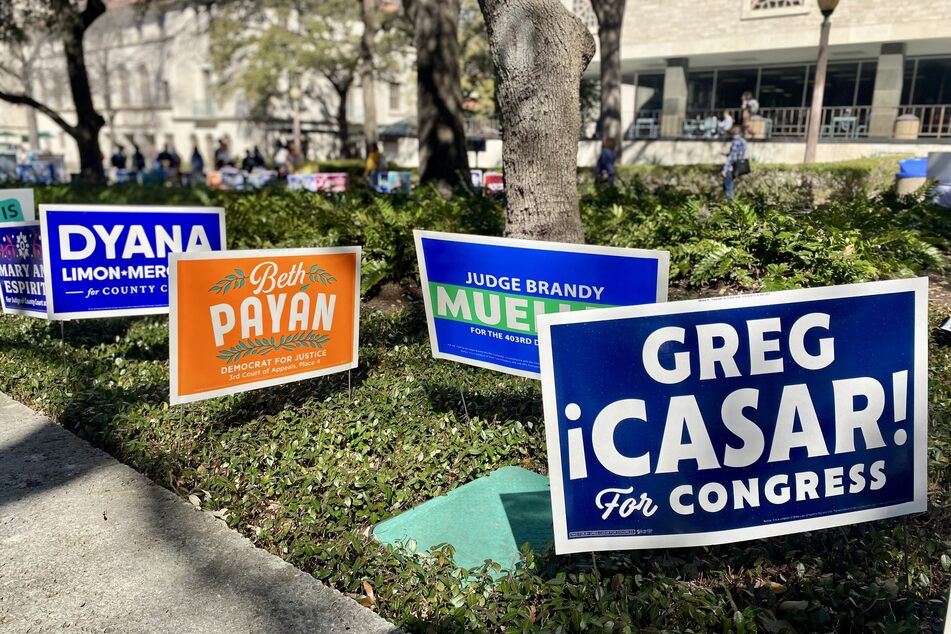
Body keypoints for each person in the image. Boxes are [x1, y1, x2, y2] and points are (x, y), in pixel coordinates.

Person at [722, 124, 748, 200]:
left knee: (728, 187)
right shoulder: (743, 141)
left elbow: (732, 157)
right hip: (738, 166)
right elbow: (739, 154)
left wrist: (725, 169)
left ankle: (731, 205)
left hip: (731, 167)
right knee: (730, 186)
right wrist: (727, 154)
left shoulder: (736, 141)